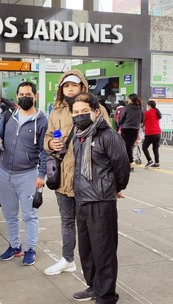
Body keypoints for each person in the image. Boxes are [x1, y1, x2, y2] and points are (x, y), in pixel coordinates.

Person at [43, 69, 110, 276]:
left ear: (82, 86)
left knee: (90, 224)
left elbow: (108, 139)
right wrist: (50, 143)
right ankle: (67, 259)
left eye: (74, 85)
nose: (70, 89)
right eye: (66, 85)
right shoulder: (56, 111)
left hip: (89, 178)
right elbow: (46, 138)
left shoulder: (97, 109)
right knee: (67, 220)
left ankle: (93, 266)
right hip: (63, 177)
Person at [70, 92, 130, 303]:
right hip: (81, 199)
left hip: (101, 201)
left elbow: (122, 166)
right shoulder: (78, 135)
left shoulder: (108, 136)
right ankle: (93, 286)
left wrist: (115, 187)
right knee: (86, 250)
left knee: (103, 250)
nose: (78, 116)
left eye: (83, 112)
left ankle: (106, 295)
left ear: (96, 112)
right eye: (75, 112)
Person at [0, 81, 48, 266]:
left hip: (28, 174)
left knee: (30, 215)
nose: (24, 97)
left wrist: (41, 175)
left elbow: (45, 150)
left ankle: (30, 249)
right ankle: (14, 246)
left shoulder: (43, 120)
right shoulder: (9, 115)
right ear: (16, 96)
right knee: (9, 214)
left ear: (35, 96)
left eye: (28, 94)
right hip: (4, 172)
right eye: (21, 94)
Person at [119, 93, 144, 171]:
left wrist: (121, 123)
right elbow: (142, 120)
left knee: (126, 147)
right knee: (129, 146)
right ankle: (129, 163)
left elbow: (121, 119)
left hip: (126, 129)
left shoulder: (126, 108)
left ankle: (130, 163)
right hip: (135, 129)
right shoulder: (140, 109)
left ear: (130, 100)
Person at [142, 100, 162, 168]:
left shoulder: (147, 113)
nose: (146, 106)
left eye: (147, 105)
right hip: (158, 133)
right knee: (155, 148)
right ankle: (157, 163)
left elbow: (142, 120)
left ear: (149, 105)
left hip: (150, 133)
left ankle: (149, 160)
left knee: (144, 147)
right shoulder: (157, 112)